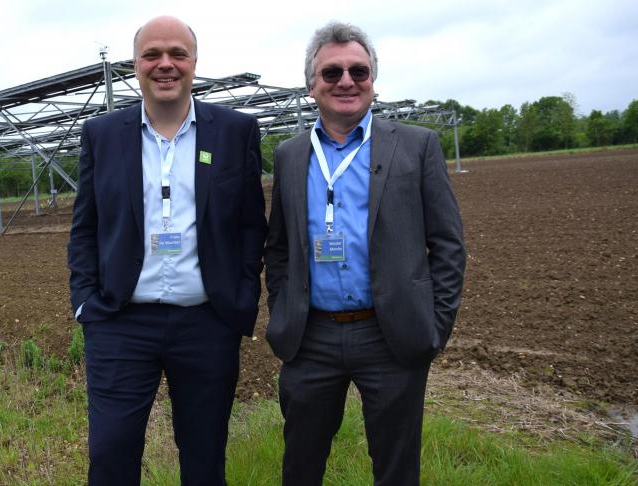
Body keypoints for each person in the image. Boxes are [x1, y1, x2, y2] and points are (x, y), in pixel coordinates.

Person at [67, 15, 267, 486]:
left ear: (194, 63)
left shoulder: (236, 131)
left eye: (177, 54)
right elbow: (84, 228)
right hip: (120, 322)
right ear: (134, 65)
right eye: (152, 54)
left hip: (206, 322)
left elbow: (249, 224)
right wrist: (85, 303)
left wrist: (240, 298)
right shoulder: (103, 134)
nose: (165, 64)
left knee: (204, 458)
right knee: (111, 454)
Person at [264, 22, 466, 485]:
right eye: (331, 73)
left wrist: (433, 327)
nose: (347, 81)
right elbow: (278, 247)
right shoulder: (291, 155)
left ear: (374, 79)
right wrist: (283, 310)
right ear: (311, 85)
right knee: (300, 464)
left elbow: (448, 244)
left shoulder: (416, 145)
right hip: (310, 337)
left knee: (396, 469)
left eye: (359, 70)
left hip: (390, 335)